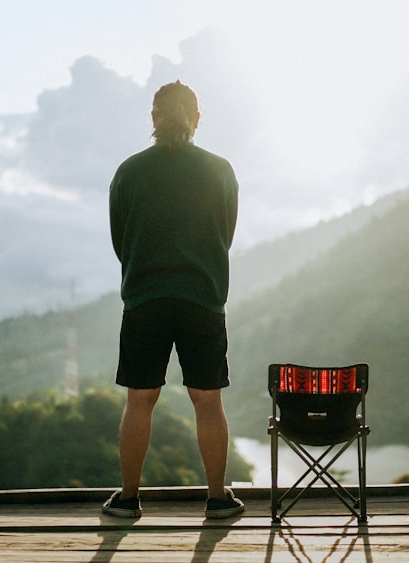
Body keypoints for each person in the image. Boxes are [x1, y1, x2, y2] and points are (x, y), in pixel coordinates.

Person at [102, 81, 244, 519]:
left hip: (145, 298)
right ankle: (218, 499)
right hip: (203, 299)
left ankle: (128, 499)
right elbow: (227, 233)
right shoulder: (220, 170)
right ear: (197, 119)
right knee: (208, 400)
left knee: (139, 400)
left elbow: (119, 240)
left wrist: (147, 268)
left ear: (153, 118)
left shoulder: (129, 172)